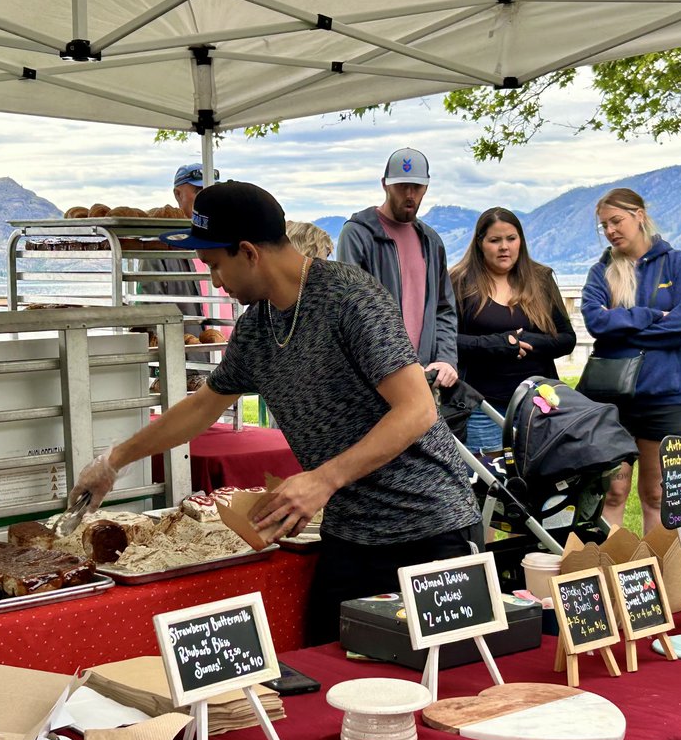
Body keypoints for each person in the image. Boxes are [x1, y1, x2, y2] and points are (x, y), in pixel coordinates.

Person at [72, 181, 479, 645]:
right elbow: (202, 407)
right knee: (326, 667)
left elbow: (418, 409)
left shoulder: (351, 299)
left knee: (439, 678)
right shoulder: (256, 329)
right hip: (351, 535)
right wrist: (113, 461)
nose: (215, 282)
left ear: (248, 252)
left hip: (429, 530)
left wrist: (323, 480)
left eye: (215, 265)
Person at [581, 188, 681, 534]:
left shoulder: (677, 263)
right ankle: (607, 566)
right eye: (604, 225)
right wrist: (651, 315)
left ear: (640, 216)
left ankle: (662, 569)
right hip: (610, 400)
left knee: (659, 495)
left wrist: (622, 330)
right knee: (611, 493)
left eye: (616, 221)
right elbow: (595, 322)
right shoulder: (601, 270)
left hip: (665, 397)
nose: (610, 231)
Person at [450, 207, 576, 452]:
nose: (504, 247)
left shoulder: (540, 279)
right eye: (494, 240)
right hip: (482, 407)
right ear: (480, 243)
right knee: (488, 474)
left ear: (521, 241)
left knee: (539, 472)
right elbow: (446, 340)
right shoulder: (459, 282)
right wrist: (500, 344)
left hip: (538, 404)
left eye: (511, 238)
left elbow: (566, 339)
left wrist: (529, 341)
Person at [335, 147, 458, 388]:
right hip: (375, 379)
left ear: (426, 187)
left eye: (416, 187)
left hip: (425, 377)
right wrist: (393, 364)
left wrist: (445, 359)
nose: (409, 194)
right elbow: (352, 310)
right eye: (401, 186)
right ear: (385, 185)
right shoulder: (358, 234)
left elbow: (444, 309)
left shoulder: (431, 242)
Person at [141, 163, 213, 332]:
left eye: (212, 192)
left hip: (228, 345)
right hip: (186, 347)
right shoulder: (160, 251)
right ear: (178, 195)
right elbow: (152, 316)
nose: (208, 200)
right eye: (199, 192)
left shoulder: (222, 243)